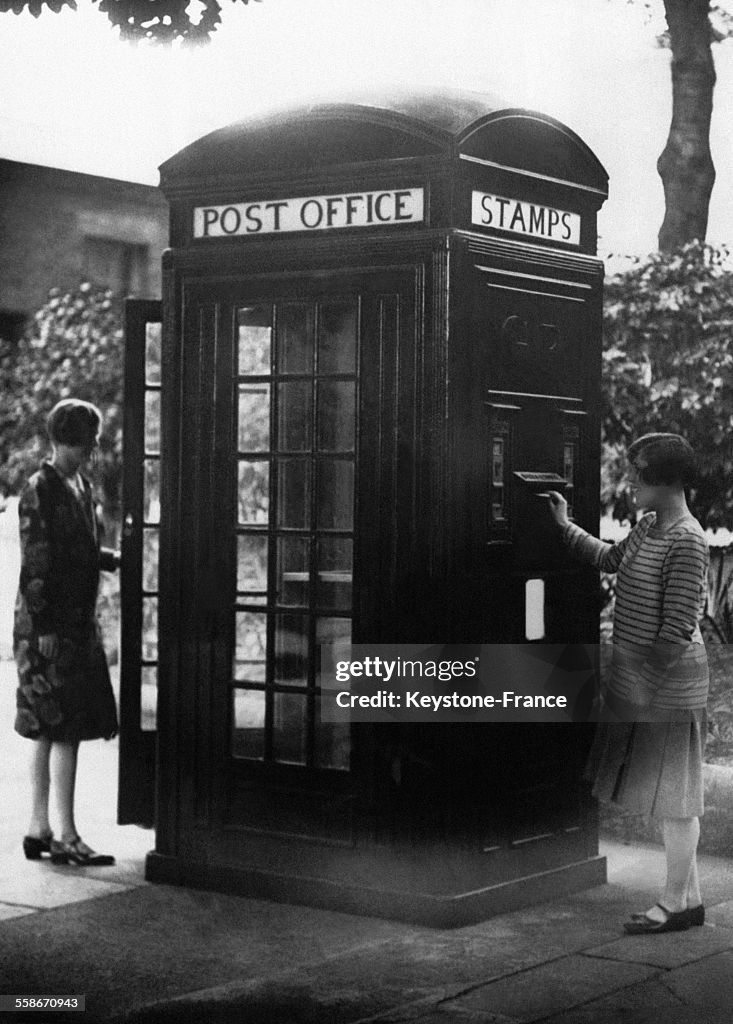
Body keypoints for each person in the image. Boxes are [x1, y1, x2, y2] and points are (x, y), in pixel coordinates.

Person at [545, 433, 709, 934]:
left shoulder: (688, 540)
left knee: (676, 801)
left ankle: (674, 906)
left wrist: (639, 690)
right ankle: (691, 900)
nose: (631, 481)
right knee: (669, 798)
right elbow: (609, 560)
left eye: (639, 472)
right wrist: (564, 524)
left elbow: (677, 628)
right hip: (644, 682)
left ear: (667, 480)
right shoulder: (649, 526)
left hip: (669, 687)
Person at [14, 398, 119, 867]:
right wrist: (46, 628)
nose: (91, 450)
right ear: (65, 440)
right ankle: (67, 836)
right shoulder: (40, 488)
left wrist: (112, 558)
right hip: (52, 627)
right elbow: (36, 561)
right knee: (65, 730)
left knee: (45, 728)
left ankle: (40, 828)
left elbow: (77, 548)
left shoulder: (78, 483)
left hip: (70, 623)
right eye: (85, 442)